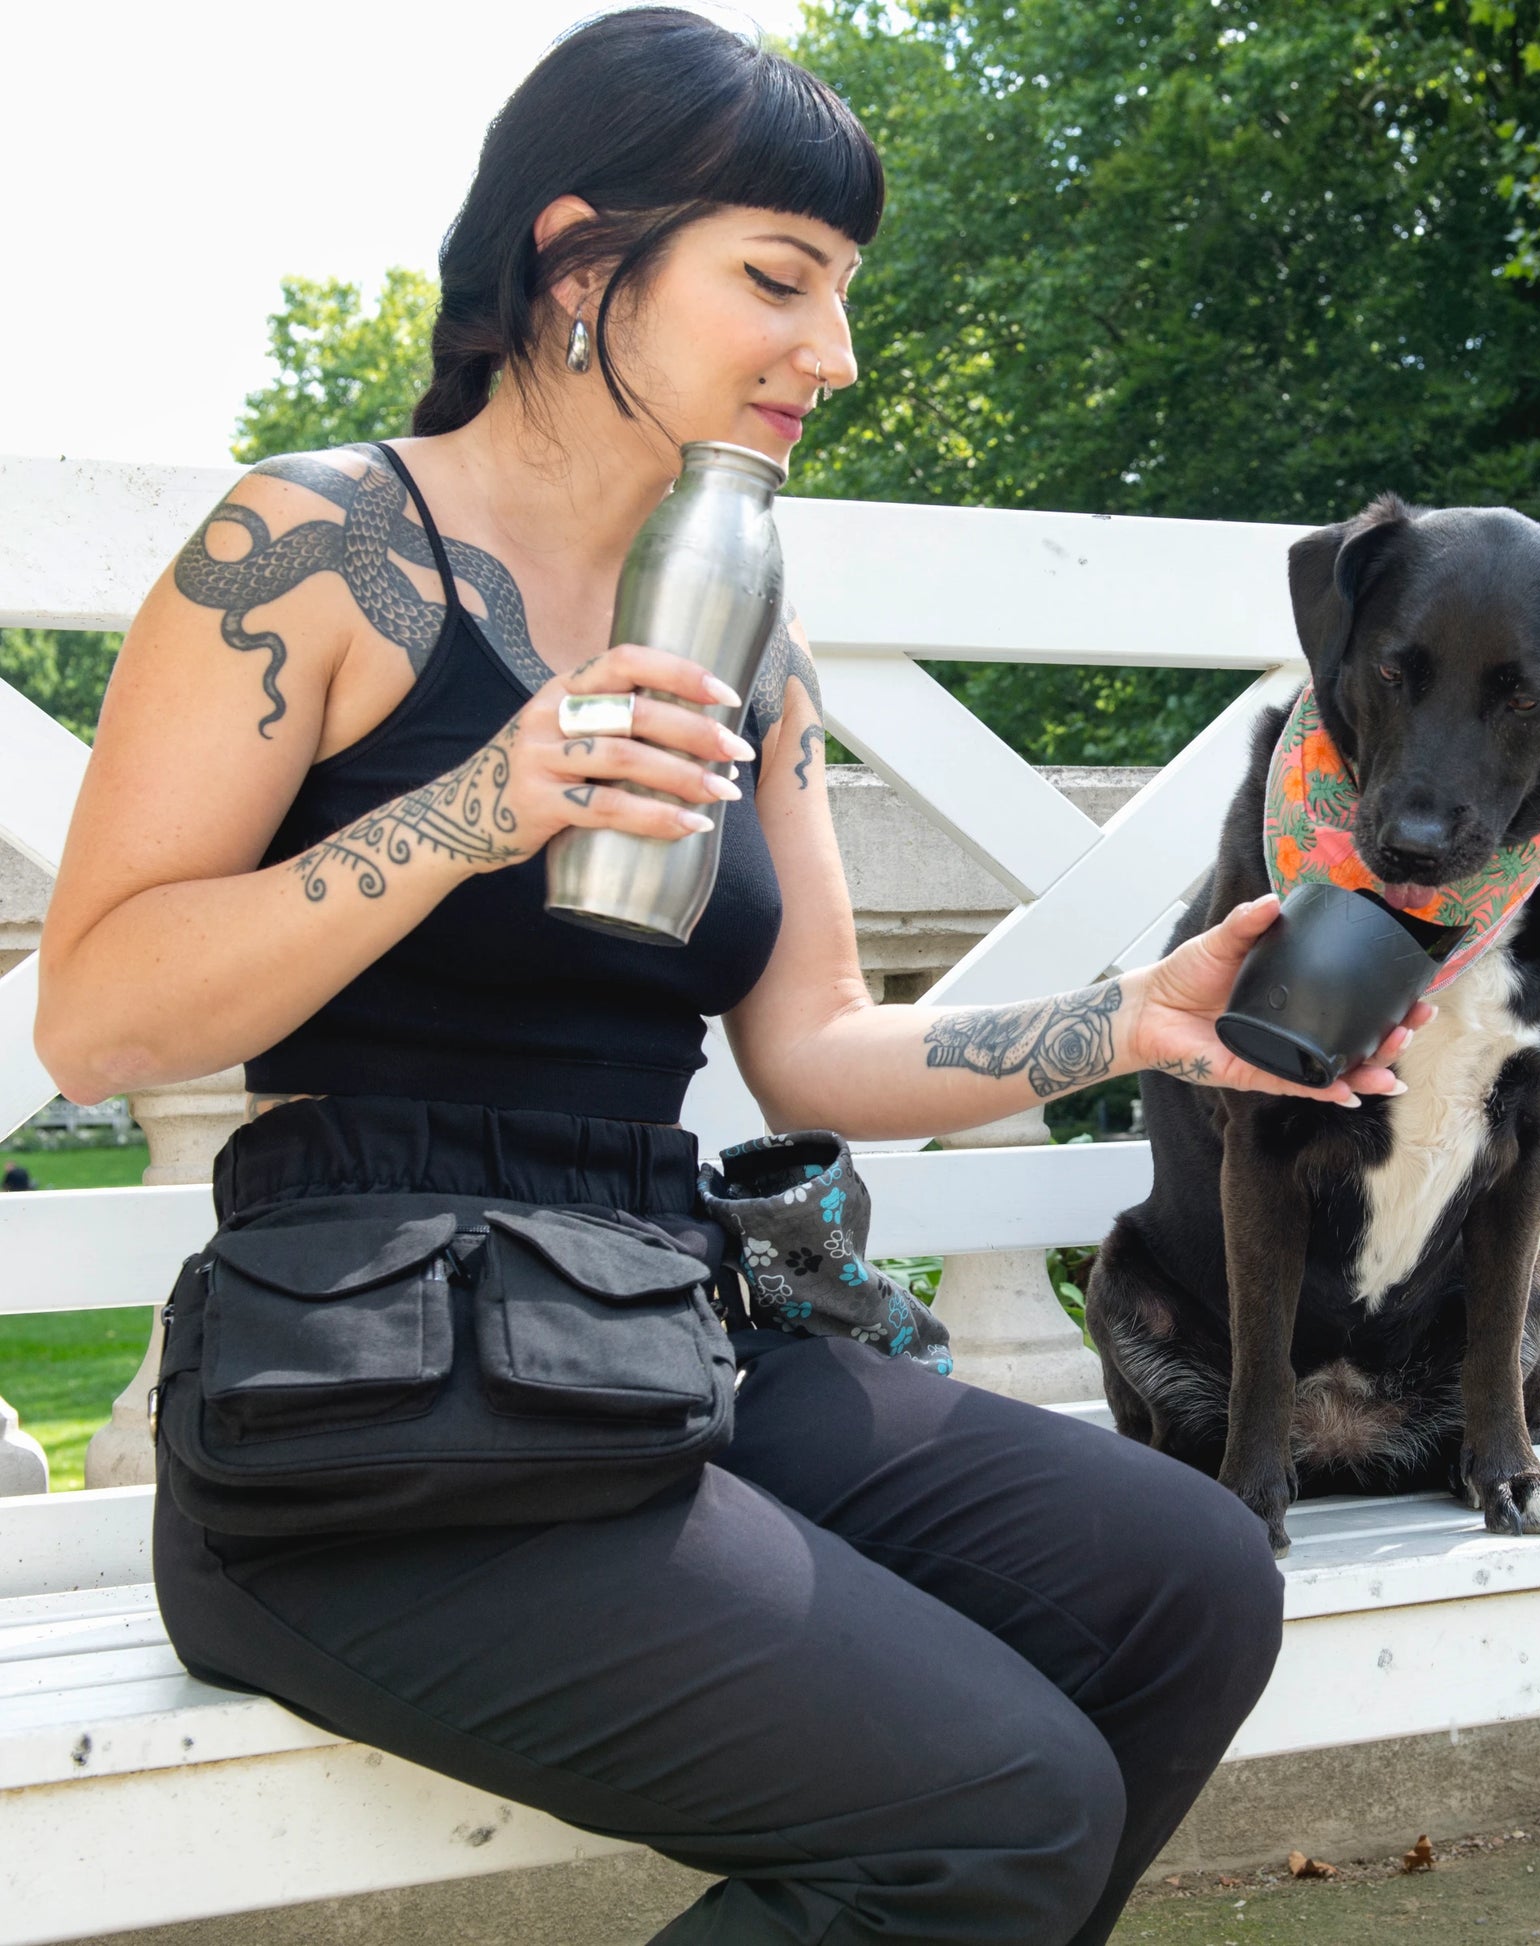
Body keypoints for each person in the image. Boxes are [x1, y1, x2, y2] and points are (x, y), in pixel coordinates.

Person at [34, 13, 1424, 1942]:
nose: (832, 354)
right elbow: (96, 1009)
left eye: (842, 294)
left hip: (653, 1321)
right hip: (358, 1396)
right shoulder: (320, 541)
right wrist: (481, 801)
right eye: (778, 279)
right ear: (579, 256)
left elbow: (818, 1053)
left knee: (1183, 1580)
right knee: (1005, 1809)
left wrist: (1128, 1020)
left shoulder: (749, 623)